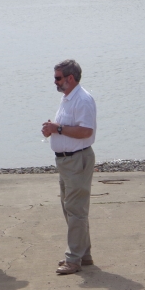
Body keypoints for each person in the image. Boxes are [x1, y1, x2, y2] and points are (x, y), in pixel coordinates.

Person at [41, 59, 97, 275]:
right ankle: (83, 254)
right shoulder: (68, 98)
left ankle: (73, 259)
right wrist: (53, 130)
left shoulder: (82, 99)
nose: (55, 82)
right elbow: (67, 128)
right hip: (66, 161)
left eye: (58, 78)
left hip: (77, 160)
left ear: (70, 78)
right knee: (71, 208)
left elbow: (86, 131)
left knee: (75, 210)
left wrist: (59, 128)